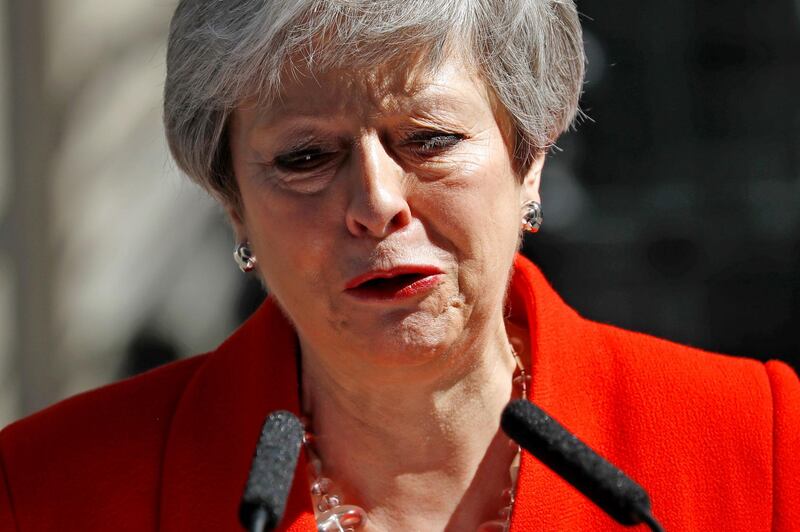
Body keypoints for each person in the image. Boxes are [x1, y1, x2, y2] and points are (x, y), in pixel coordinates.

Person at [1, 1, 798, 530]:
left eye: (428, 140)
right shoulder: (45, 491)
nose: (377, 202)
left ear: (530, 161)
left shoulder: (762, 445)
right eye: (307, 156)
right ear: (233, 202)